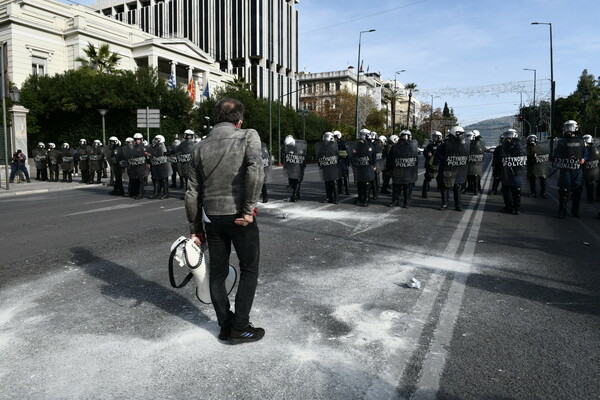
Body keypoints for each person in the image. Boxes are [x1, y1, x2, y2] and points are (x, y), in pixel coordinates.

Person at [185, 98, 265, 344]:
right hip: (240, 215)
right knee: (249, 269)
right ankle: (240, 326)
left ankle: (224, 324)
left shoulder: (199, 148)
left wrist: (196, 229)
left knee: (217, 273)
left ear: (215, 118)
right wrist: (248, 209)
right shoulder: (247, 136)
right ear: (238, 121)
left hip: (212, 218)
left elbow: (191, 192)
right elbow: (255, 170)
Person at [553, 120, 587, 218]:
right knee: (563, 190)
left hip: (577, 170)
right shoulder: (561, 141)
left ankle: (575, 211)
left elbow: (585, 153)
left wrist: (584, 159)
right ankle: (562, 211)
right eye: (567, 127)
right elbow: (556, 153)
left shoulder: (581, 141)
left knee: (577, 191)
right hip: (565, 169)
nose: (568, 129)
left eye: (570, 127)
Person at [436, 126, 468, 211]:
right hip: (447, 168)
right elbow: (438, 154)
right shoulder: (445, 143)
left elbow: (465, 154)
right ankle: (445, 204)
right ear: (455, 133)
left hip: (457, 168)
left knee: (457, 186)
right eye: (459, 134)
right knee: (445, 186)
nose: (461, 135)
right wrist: (446, 159)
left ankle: (458, 205)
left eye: (462, 134)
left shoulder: (463, 143)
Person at [495, 129, 526, 215]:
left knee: (516, 189)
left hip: (516, 170)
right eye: (507, 134)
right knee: (505, 189)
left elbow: (522, 155)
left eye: (511, 134)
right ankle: (508, 206)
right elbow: (499, 157)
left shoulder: (519, 145)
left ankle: (516, 208)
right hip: (506, 170)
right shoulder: (503, 146)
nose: (509, 136)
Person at [388, 129, 418, 208]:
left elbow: (415, 158)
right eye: (403, 136)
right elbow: (390, 157)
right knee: (396, 186)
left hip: (407, 169)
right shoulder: (395, 146)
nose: (405, 138)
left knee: (406, 186)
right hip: (397, 169)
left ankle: (406, 202)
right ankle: (395, 201)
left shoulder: (412, 146)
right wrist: (390, 167)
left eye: (406, 136)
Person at [349, 129, 376, 206]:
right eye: (361, 134)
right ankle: (360, 198)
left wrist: (374, 165)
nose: (362, 136)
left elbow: (371, 154)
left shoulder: (370, 144)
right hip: (359, 166)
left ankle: (366, 199)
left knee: (366, 183)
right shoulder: (357, 144)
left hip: (367, 166)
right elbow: (353, 154)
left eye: (363, 134)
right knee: (359, 182)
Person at [316, 132, 341, 204]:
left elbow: (338, 155)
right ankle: (329, 197)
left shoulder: (334, 146)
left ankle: (336, 198)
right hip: (325, 166)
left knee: (334, 182)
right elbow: (319, 155)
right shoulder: (322, 146)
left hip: (333, 166)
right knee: (327, 182)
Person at [283, 134, 307, 202]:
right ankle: (296, 195)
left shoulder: (299, 148)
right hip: (292, 168)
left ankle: (294, 196)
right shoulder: (288, 148)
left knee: (297, 181)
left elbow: (303, 156)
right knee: (295, 182)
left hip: (298, 167)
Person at [148, 134, 171, 199]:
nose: (155, 140)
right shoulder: (153, 147)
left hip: (163, 165)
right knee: (156, 179)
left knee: (164, 180)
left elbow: (167, 152)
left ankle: (166, 193)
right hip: (155, 164)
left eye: (156, 139)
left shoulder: (165, 146)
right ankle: (156, 193)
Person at [525, 134, 549, 198]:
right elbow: (524, 155)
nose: (532, 142)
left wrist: (539, 154)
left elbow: (546, 153)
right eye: (530, 141)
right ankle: (533, 193)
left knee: (543, 180)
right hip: (531, 166)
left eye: (533, 141)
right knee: (532, 180)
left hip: (540, 166)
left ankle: (543, 193)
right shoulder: (526, 148)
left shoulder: (540, 147)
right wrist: (530, 156)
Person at [422, 131, 442, 198]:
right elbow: (425, 152)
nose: (434, 138)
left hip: (439, 165)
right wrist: (427, 154)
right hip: (430, 165)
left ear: (439, 137)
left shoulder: (442, 145)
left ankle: (441, 191)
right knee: (427, 179)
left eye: (435, 137)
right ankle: (424, 193)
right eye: (433, 136)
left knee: (440, 179)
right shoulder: (430, 145)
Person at [465, 130, 485, 195]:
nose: (468, 137)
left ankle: (477, 188)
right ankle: (470, 186)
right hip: (470, 160)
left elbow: (480, 151)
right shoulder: (469, 143)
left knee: (476, 175)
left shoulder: (478, 143)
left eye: (470, 136)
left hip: (476, 161)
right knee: (469, 174)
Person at [582, 135, 599, 203]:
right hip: (596, 169)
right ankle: (597, 197)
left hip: (588, 169)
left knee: (589, 184)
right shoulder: (596, 149)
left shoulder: (583, 150)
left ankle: (590, 198)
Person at [334, 131, 351, 196]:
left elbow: (346, 153)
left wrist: (347, 162)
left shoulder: (343, 143)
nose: (334, 138)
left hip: (343, 161)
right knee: (338, 177)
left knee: (345, 176)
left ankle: (347, 190)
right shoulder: (334, 143)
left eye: (335, 137)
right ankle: (340, 190)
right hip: (337, 162)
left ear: (338, 136)